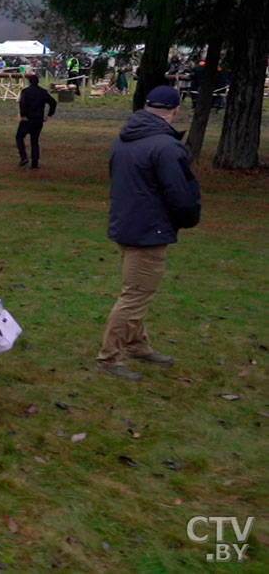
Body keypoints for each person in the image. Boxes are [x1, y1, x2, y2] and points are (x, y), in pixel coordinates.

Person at [98, 86, 201, 380]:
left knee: (137, 289)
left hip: (127, 224)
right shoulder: (166, 147)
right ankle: (109, 356)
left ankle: (136, 344)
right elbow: (180, 193)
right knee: (136, 294)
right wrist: (188, 217)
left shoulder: (125, 140)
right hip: (147, 229)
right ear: (176, 110)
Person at [17, 74, 57, 168]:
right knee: (34, 141)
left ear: (29, 82)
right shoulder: (43, 92)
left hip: (28, 119)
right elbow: (53, 103)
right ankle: (35, 163)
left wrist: (23, 115)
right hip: (38, 119)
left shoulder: (25, 91)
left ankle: (23, 157)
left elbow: (22, 103)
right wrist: (49, 115)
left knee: (19, 137)